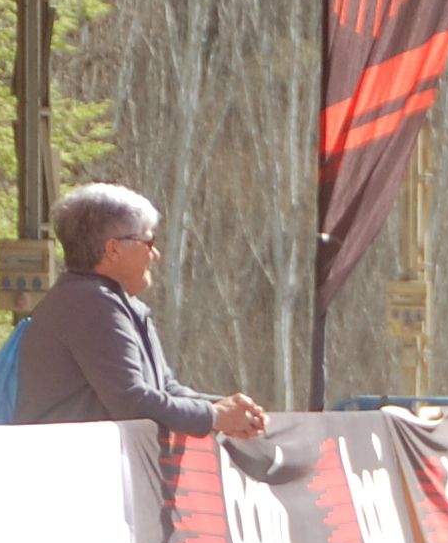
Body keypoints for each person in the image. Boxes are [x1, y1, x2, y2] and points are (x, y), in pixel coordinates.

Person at [14, 183, 266, 438]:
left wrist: (225, 409)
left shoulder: (108, 301)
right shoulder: (91, 304)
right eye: (148, 241)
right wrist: (215, 416)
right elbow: (132, 401)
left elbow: (164, 389)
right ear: (112, 249)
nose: (154, 254)